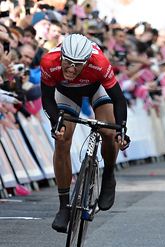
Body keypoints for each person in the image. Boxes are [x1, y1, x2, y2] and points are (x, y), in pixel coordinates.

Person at [40, 34, 130, 233]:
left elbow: (119, 100)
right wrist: (57, 123)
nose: (71, 69)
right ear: (61, 56)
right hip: (65, 92)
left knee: (108, 131)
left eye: (78, 65)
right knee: (62, 140)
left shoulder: (99, 62)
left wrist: (121, 129)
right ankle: (64, 206)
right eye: (68, 63)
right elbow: (47, 100)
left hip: (97, 88)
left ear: (87, 61)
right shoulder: (49, 61)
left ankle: (108, 175)